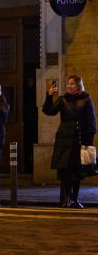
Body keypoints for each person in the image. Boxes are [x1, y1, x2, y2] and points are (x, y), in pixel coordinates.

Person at [43, 74, 96, 208]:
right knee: (65, 172)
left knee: (77, 172)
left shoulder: (86, 99)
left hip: (79, 139)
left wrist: (88, 142)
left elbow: (91, 121)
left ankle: (75, 199)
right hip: (64, 140)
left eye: (72, 84)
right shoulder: (63, 99)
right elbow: (48, 111)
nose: (69, 86)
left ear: (78, 85)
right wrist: (49, 96)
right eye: (68, 84)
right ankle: (66, 199)